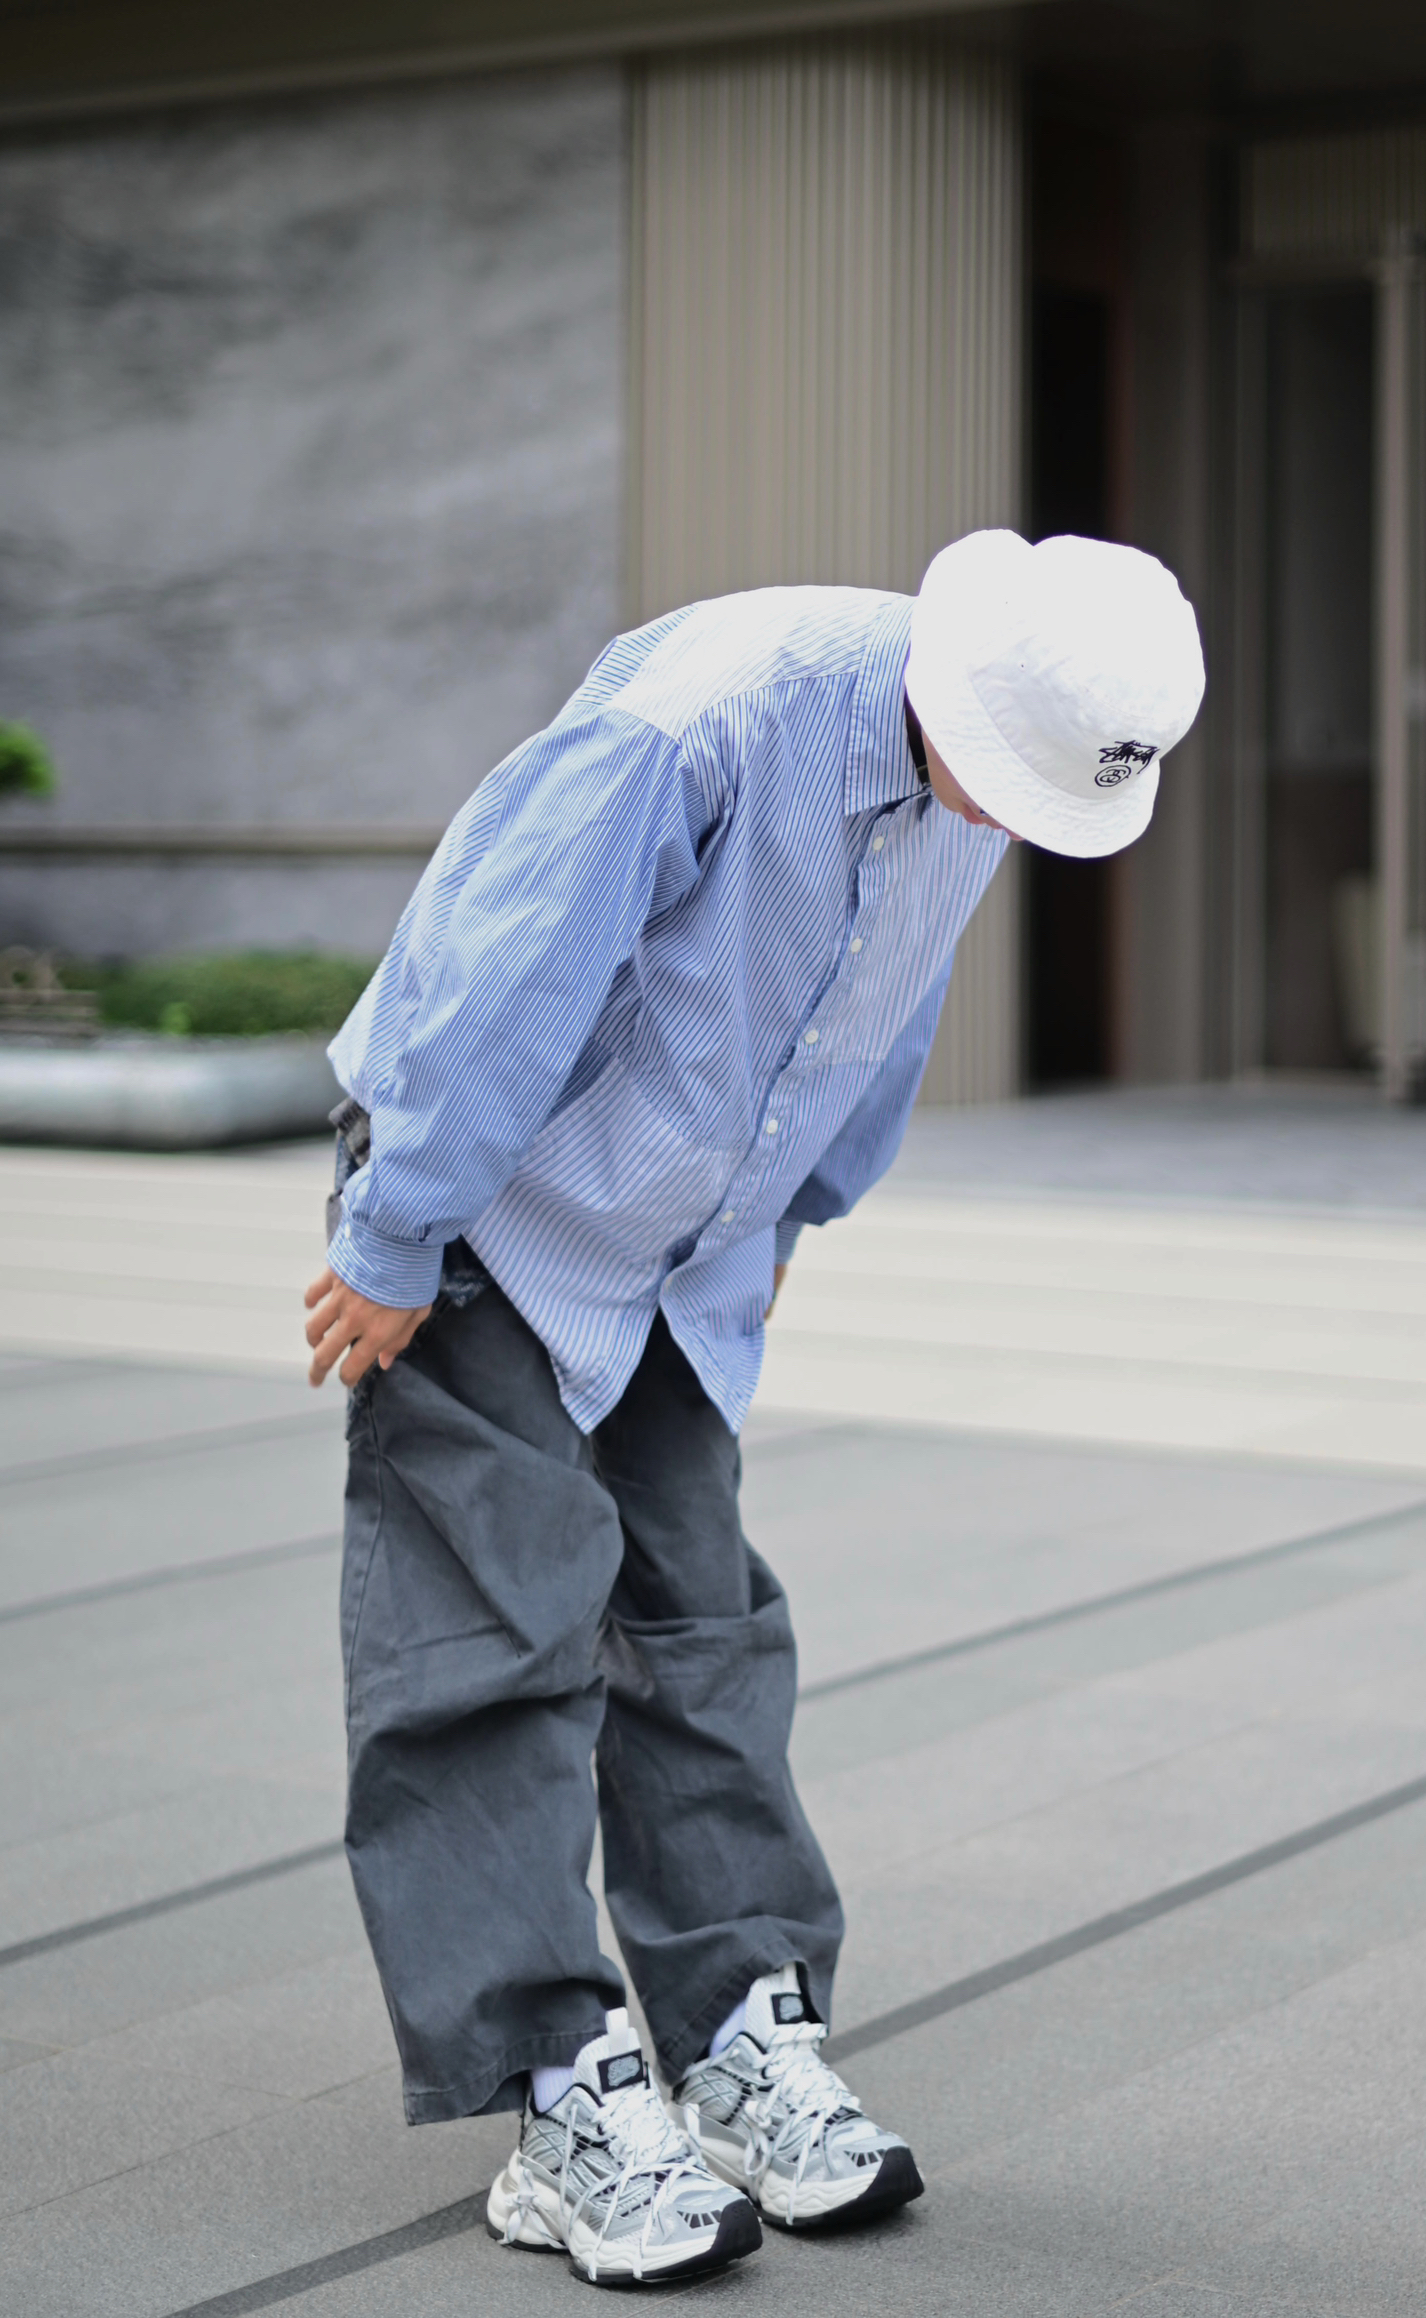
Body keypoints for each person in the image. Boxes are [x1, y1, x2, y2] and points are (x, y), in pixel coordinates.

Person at [304, 525, 1205, 2288]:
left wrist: (791, 1215)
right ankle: (555, 2091)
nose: (1014, 821)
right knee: (490, 1643)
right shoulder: (709, 721)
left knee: (701, 1628)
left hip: (684, 1238)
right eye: (1013, 784)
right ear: (959, 688)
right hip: (493, 1208)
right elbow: (503, 966)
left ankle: (734, 2039)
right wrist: (398, 1228)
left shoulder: (981, 772)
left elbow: (884, 1001)